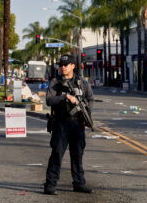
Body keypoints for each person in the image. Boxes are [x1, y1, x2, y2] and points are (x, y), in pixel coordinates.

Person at [44, 54, 94, 195]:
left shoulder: (81, 82)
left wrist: (86, 113)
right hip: (61, 124)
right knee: (57, 154)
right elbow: (49, 100)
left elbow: (90, 98)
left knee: (77, 155)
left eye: (66, 65)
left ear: (73, 66)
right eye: (61, 65)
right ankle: (50, 184)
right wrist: (65, 96)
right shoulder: (55, 82)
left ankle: (79, 183)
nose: (63, 67)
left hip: (77, 124)